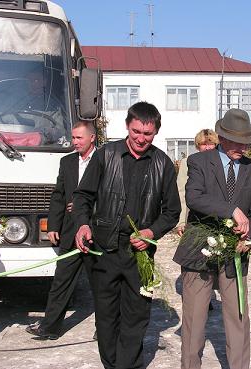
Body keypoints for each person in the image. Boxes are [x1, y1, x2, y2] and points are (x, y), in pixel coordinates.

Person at [73, 101, 181, 369]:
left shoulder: (163, 164)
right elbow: (83, 196)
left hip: (140, 254)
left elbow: (171, 212)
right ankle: (111, 364)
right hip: (104, 250)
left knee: (136, 316)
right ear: (127, 126)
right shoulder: (105, 155)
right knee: (107, 318)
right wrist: (83, 224)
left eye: (148, 134)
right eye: (136, 132)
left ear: (156, 132)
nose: (141, 139)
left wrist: (150, 232)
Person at [173, 108, 251, 369]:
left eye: (246, 142)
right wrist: (232, 211)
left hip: (236, 253)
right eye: (236, 141)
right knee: (194, 320)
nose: (242, 147)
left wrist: (250, 236)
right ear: (222, 138)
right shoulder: (200, 162)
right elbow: (194, 197)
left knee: (238, 317)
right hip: (198, 252)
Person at [26, 120, 96, 340]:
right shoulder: (66, 162)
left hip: (95, 234)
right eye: (73, 137)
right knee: (61, 282)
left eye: (79, 138)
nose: (74, 142)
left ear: (92, 138)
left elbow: (111, 194)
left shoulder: (105, 160)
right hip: (69, 232)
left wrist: (85, 206)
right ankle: (50, 327)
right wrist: (54, 225)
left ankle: (105, 328)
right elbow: (58, 195)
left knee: (102, 285)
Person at [176, 128, 219, 235]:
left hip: (219, 213)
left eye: (211, 143)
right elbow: (181, 193)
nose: (208, 147)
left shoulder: (221, 162)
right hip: (195, 216)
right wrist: (181, 221)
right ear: (197, 145)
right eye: (204, 144)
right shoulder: (188, 162)